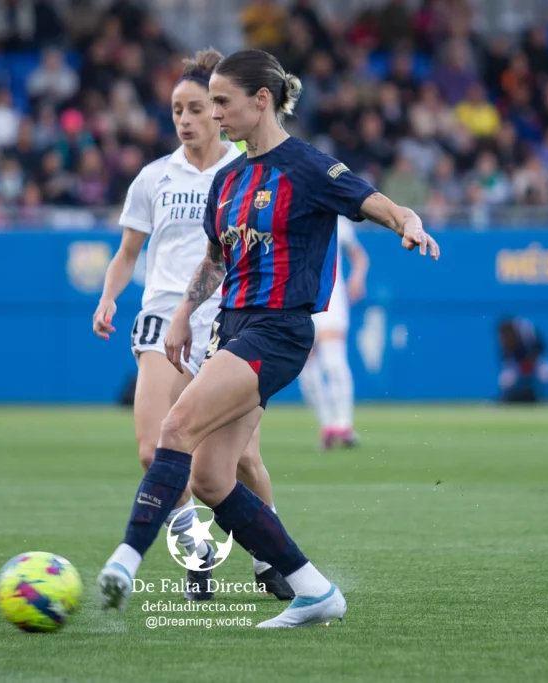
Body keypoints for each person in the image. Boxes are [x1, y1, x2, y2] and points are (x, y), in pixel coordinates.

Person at [97, 48, 439, 627]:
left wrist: (407, 221)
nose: (215, 114)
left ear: (262, 101)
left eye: (223, 103)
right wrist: (183, 312)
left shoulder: (305, 166)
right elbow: (214, 259)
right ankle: (314, 590)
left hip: (278, 330)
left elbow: (372, 201)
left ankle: (125, 560)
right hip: (231, 326)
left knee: (173, 428)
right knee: (209, 478)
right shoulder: (228, 179)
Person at [92, 49, 293, 602]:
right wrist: (109, 297)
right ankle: (197, 553)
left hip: (229, 323)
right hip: (162, 318)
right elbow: (128, 251)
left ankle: (269, 557)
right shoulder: (153, 177)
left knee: (240, 461)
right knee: (153, 449)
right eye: (176, 108)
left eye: (196, 108)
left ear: (219, 111)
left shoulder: (246, 171)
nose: (184, 119)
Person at [298, 216, 370, 448]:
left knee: (333, 362)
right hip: (299, 300)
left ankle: (344, 424)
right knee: (307, 368)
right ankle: (327, 424)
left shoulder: (337, 219)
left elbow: (359, 256)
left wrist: (357, 279)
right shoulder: (292, 211)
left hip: (331, 299)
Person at [497, 317, 548, 402]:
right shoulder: (503, 335)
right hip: (517, 364)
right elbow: (506, 359)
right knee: (506, 379)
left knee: (546, 374)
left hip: (535, 362)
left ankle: (547, 401)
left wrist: (529, 361)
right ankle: (504, 401)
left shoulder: (525, 329)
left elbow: (541, 347)